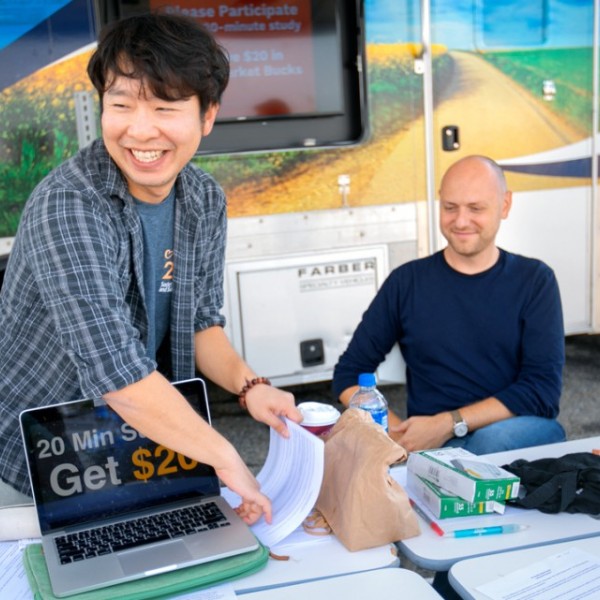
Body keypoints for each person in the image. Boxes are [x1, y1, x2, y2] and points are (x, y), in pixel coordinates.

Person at [0, 13, 302, 525]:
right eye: (121, 105)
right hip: (35, 470)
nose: (141, 130)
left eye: (165, 107)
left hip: (140, 450)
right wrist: (225, 456)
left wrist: (252, 388)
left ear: (207, 117)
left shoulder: (203, 198)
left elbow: (201, 320)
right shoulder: (69, 205)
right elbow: (117, 374)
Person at [333, 155, 566, 456]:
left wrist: (450, 422)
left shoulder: (535, 280)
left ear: (505, 205)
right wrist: (397, 433)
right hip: (437, 446)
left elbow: (542, 390)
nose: (461, 221)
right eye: (450, 207)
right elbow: (348, 374)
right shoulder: (407, 282)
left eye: (476, 208)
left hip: (515, 432)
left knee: (487, 443)